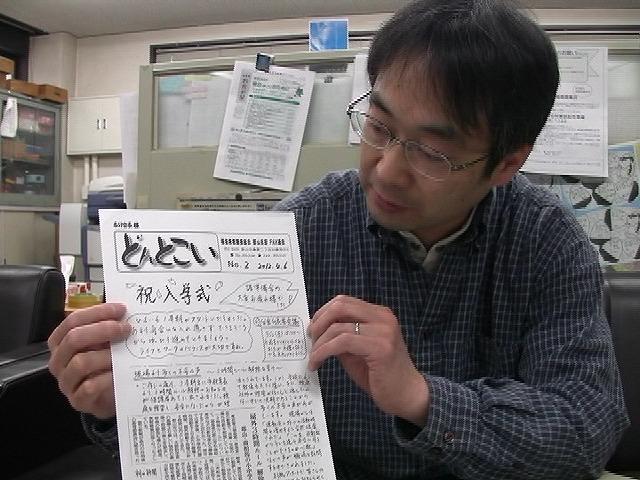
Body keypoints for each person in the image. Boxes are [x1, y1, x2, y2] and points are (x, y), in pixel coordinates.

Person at [48, 0, 629, 478]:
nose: (386, 171)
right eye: (379, 126)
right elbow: (225, 436)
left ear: (506, 163)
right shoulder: (297, 230)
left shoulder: (546, 239)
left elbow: (585, 429)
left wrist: (421, 398)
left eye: (433, 152)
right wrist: (123, 406)